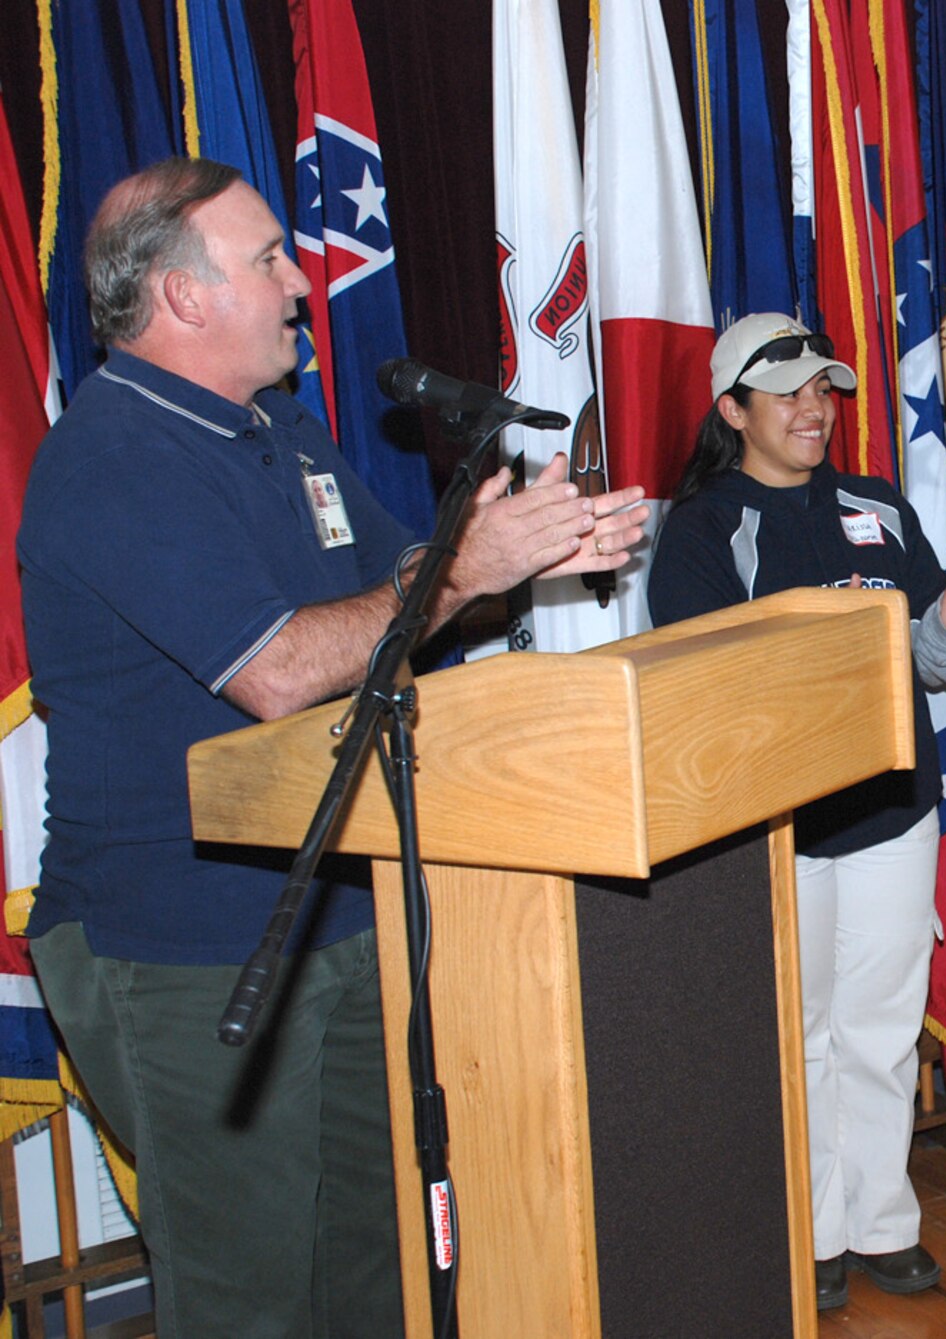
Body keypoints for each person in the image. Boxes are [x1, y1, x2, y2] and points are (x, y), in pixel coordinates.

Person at [15, 157, 647, 1338]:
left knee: (375, 1262)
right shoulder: (115, 457)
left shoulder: (279, 429)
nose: (301, 280)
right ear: (183, 296)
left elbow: (400, 591)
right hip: (180, 941)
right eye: (264, 259)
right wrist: (471, 566)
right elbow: (280, 672)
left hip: (337, 903)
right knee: (252, 1291)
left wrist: (534, 548)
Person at [647, 312, 946, 1312]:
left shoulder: (878, 506)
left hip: (893, 809)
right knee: (795, 1035)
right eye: (788, 393)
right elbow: (706, 687)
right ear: (733, 411)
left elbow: (936, 666)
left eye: (824, 390)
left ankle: (881, 1221)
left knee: (881, 1027)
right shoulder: (700, 527)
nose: (814, 409)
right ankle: (807, 1232)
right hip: (775, 826)